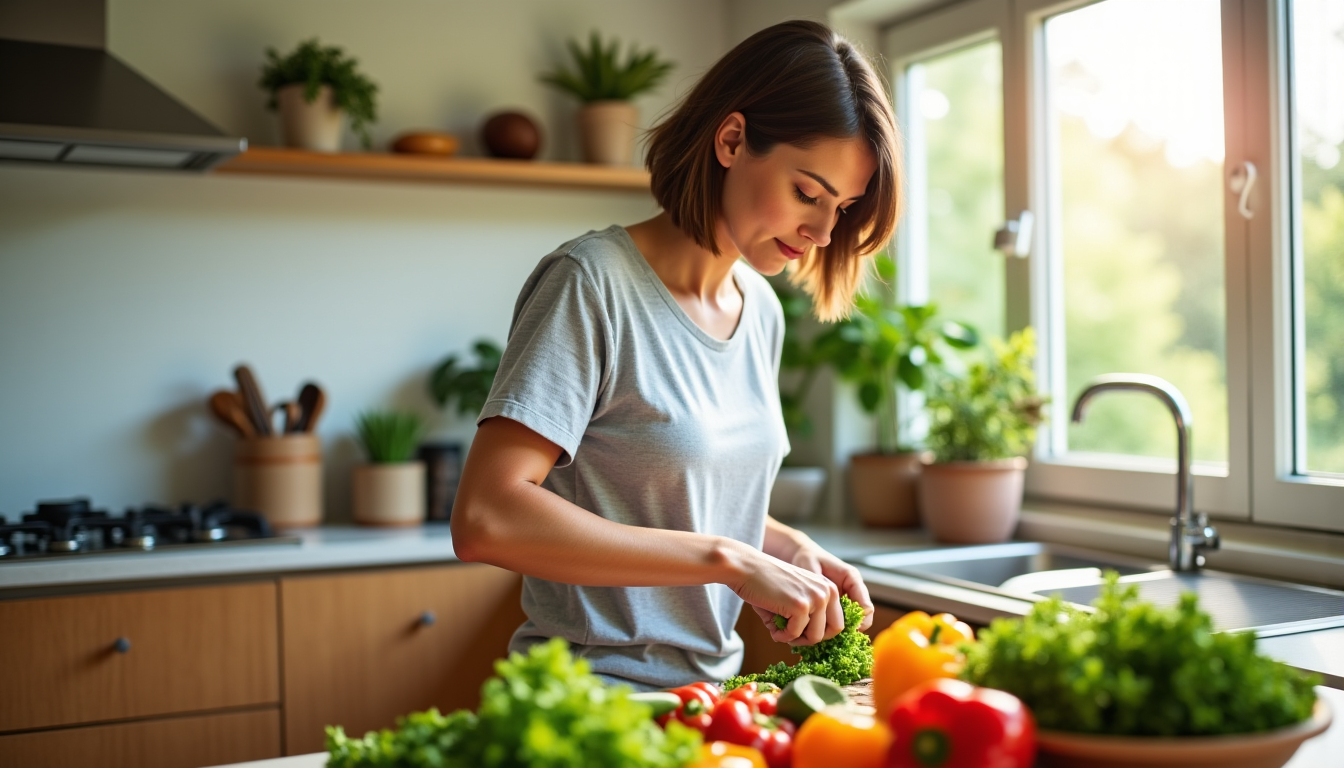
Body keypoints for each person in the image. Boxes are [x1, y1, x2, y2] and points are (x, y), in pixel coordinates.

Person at [451, 19, 902, 690]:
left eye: (842, 207)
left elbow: (681, 501)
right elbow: (487, 516)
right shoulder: (591, 283)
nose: (821, 231)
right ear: (731, 140)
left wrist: (787, 548)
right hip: (591, 702)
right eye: (807, 193)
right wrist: (728, 560)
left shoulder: (763, 314)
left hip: (711, 699)